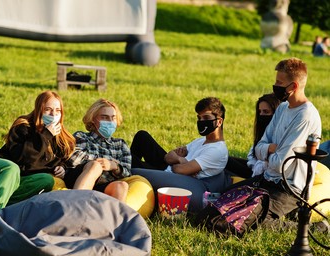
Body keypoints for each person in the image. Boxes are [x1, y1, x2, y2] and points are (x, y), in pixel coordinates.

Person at [228, 57, 322, 227]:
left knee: (248, 221)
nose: (275, 86)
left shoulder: (305, 115)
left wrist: (268, 154)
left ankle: (314, 229)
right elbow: (259, 147)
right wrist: (270, 149)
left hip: (288, 189)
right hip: (266, 179)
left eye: (279, 82)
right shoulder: (283, 107)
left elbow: (281, 164)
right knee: (224, 199)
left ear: (293, 86)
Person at [0, 90, 76, 231]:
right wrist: (45, 136)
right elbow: (22, 158)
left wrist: (61, 167)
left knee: (47, 180)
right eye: (48, 110)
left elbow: (57, 160)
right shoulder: (23, 126)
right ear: (39, 110)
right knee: (12, 169)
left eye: (57, 111)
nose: (53, 115)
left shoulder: (59, 137)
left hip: (19, 180)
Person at [131, 97, 229, 213]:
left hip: (175, 177)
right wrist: (182, 161)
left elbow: (179, 170)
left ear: (219, 121)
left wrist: (178, 161)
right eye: (199, 118)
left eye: (206, 117)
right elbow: (169, 156)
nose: (201, 121)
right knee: (142, 137)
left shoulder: (217, 150)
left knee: (132, 162)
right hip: (170, 168)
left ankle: (121, 172)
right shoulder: (201, 140)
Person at [64, 99, 130, 202]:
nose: (109, 121)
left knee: (122, 185)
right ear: (93, 119)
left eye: (113, 118)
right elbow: (72, 157)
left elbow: (127, 172)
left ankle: (114, 217)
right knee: (95, 166)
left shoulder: (121, 144)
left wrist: (114, 166)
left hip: (103, 184)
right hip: (79, 177)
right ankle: (75, 205)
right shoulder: (81, 136)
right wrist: (103, 162)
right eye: (104, 117)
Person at [225, 93, 280, 178]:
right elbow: (253, 156)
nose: (261, 115)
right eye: (259, 112)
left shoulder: (280, 133)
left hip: (265, 176)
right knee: (224, 160)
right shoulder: (263, 131)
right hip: (254, 168)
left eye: (266, 112)